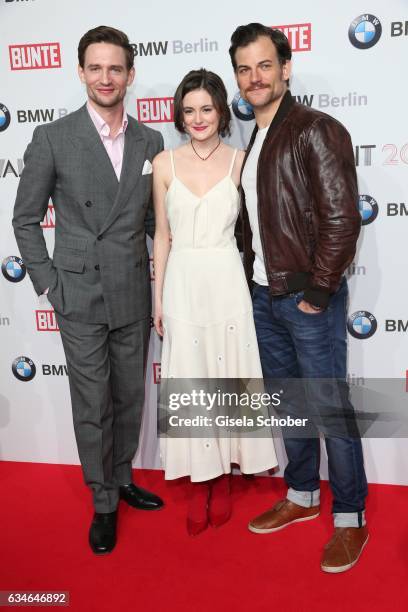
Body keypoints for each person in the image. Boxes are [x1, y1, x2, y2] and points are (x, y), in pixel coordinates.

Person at [13, 25, 164, 555]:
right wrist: (50, 285)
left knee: (128, 397)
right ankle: (103, 502)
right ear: (81, 72)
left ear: (130, 75)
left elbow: (154, 223)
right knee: (91, 402)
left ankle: (122, 479)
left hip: (131, 290)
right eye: (95, 68)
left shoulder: (151, 140)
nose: (106, 77)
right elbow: (25, 219)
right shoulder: (53, 137)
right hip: (77, 293)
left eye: (115, 68)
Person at [229, 23, 368, 573]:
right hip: (265, 297)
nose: (254, 77)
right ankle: (304, 495)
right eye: (244, 68)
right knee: (290, 406)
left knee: (329, 407)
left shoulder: (316, 128)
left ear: (286, 68)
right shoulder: (257, 138)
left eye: (264, 65)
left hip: (306, 299)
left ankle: (352, 517)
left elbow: (341, 217)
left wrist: (318, 292)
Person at [153, 69, 278, 536]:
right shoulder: (164, 163)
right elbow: (162, 238)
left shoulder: (240, 161)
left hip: (227, 282)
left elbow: (259, 229)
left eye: (207, 108)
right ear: (179, 115)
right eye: (189, 110)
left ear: (222, 111)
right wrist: (158, 300)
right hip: (183, 281)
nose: (198, 118)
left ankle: (223, 475)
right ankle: (199, 480)